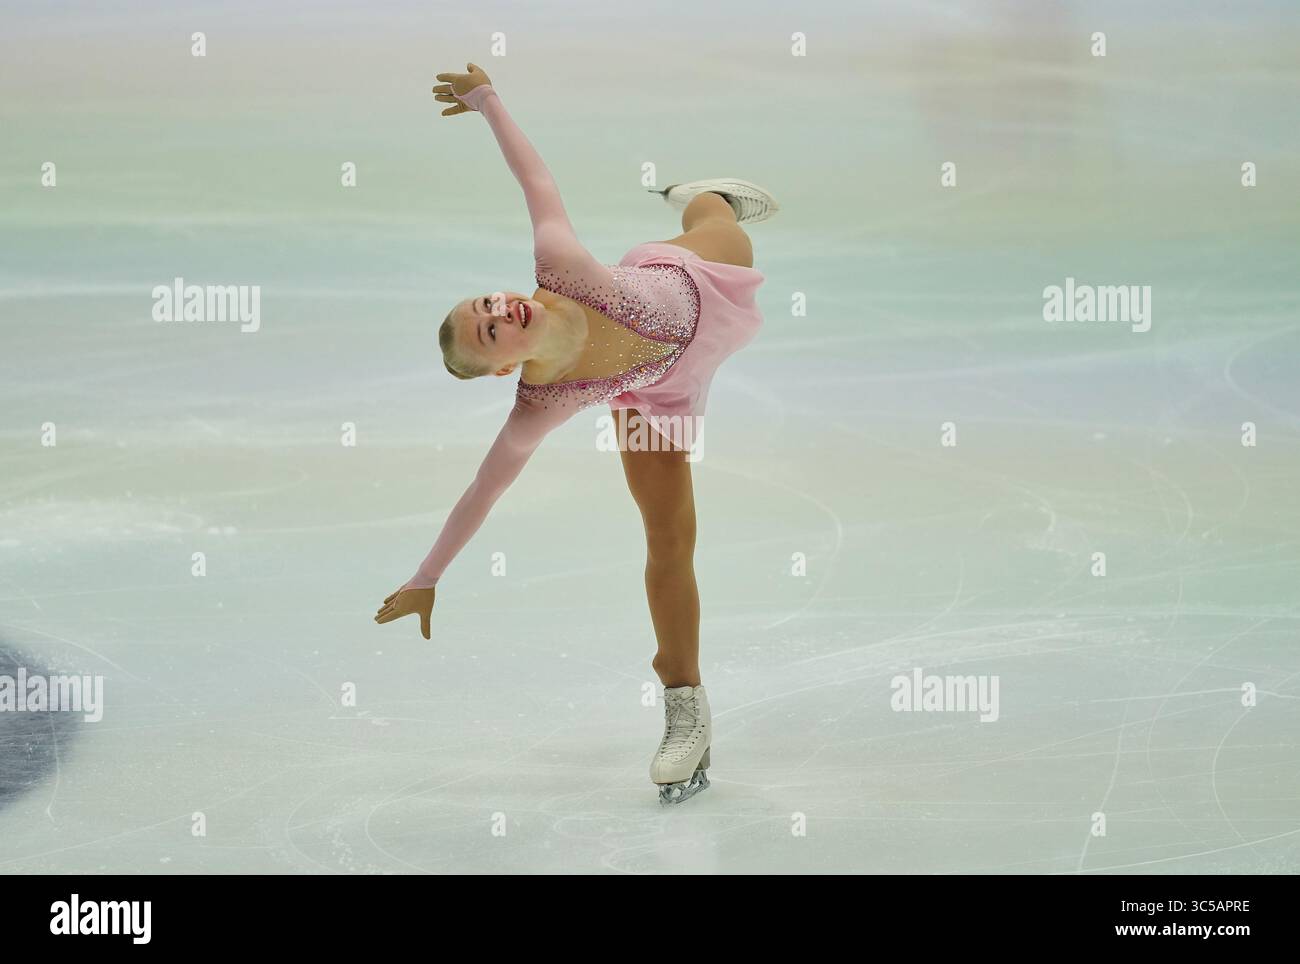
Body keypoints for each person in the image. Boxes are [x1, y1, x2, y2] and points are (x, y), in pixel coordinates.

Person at [375, 62, 779, 803]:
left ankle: (705, 196)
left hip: (694, 289)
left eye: (486, 303)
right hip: (659, 395)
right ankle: (685, 707)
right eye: (490, 331)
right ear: (502, 368)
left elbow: (535, 181)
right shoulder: (539, 404)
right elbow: (482, 491)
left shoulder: (559, 268)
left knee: (719, 228)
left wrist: (487, 100)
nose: (502, 311)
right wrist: (427, 577)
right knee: (668, 540)